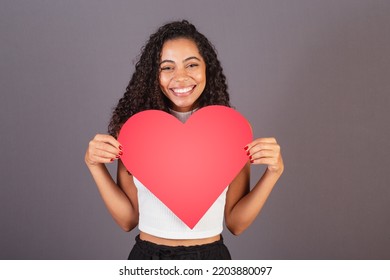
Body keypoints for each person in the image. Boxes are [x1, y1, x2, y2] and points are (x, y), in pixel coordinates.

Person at [85, 20, 284, 260]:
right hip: (148, 257)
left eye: (191, 64)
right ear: (153, 75)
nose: (181, 77)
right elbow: (128, 220)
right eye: (167, 67)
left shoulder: (231, 130)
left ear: (206, 69)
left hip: (211, 257)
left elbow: (236, 223)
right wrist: (94, 166)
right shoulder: (136, 131)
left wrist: (274, 172)